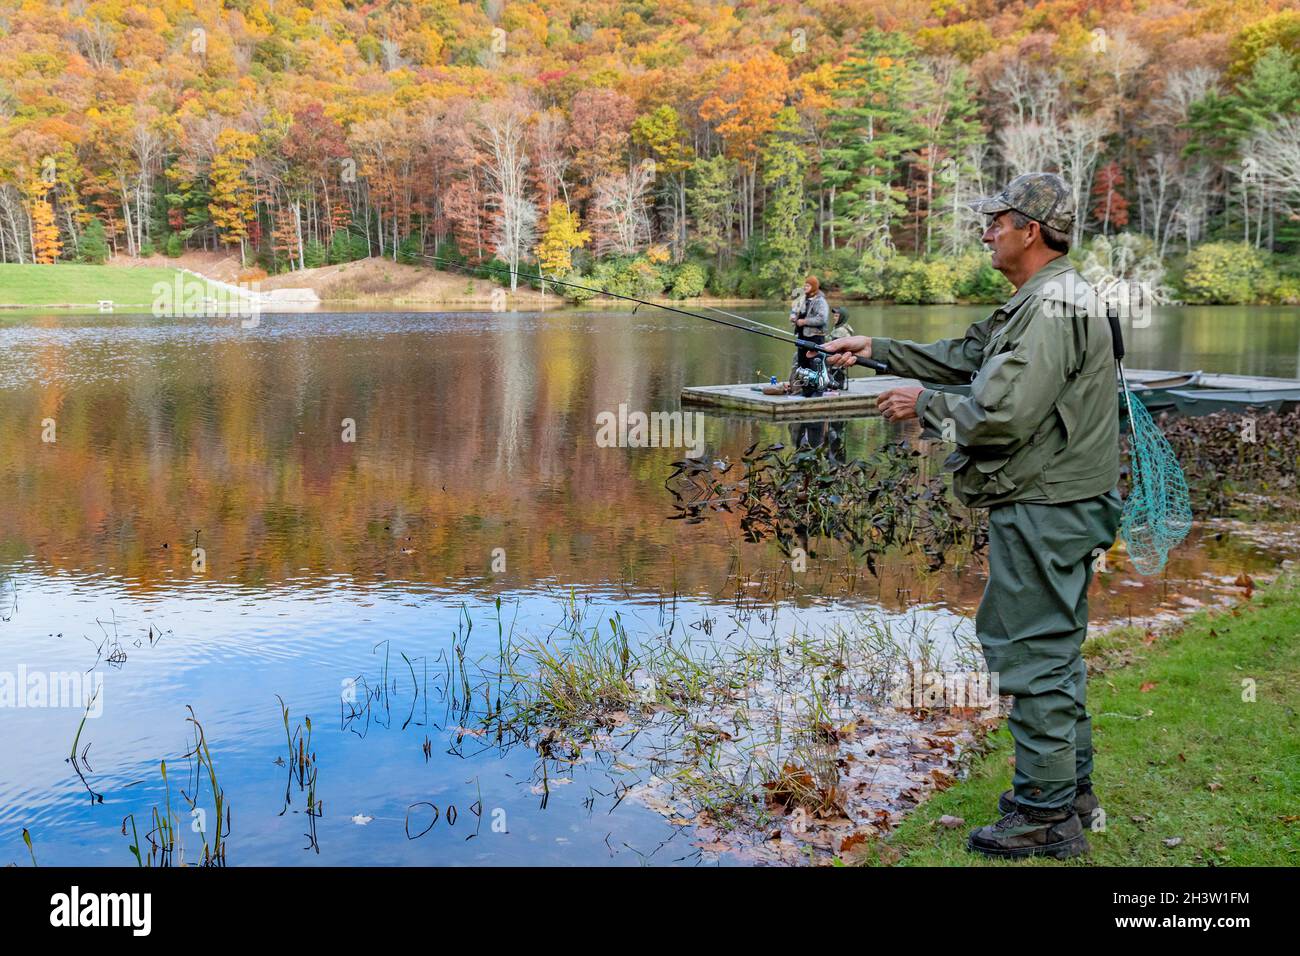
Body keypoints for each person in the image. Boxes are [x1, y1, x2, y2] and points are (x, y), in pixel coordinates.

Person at [824, 172, 1122, 860]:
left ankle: (1045, 815)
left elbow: (1001, 414)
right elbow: (968, 359)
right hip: (1065, 502)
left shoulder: (1051, 308)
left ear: (1032, 229)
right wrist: (877, 352)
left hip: (1047, 505)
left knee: (1026, 651)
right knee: (1053, 647)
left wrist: (921, 407)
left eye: (997, 220)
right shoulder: (1045, 298)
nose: (986, 231)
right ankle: (1068, 791)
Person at [789, 276, 830, 378]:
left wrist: (804, 322)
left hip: (815, 338)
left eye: (808, 286)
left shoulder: (820, 301)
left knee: (814, 364)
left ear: (814, 287)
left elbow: (822, 319)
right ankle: (804, 389)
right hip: (802, 337)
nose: (805, 287)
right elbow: (794, 310)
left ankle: (816, 390)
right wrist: (793, 317)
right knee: (802, 364)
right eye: (805, 285)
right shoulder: (802, 299)